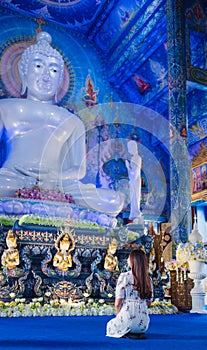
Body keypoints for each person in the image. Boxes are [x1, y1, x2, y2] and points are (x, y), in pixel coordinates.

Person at [0, 31, 124, 217]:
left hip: (58, 185)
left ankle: (31, 202)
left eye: (54, 70)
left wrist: (53, 179)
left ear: (60, 81)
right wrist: (26, 181)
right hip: (13, 179)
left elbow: (78, 169)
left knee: (114, 201)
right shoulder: (5, 107)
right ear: (23, 71)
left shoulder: (72, 121)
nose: (46, 76)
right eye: (39, 66)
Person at [106, 249, 153, 339]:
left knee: (110, 326)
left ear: (132, 261)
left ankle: (127, 329)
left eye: (129, 258)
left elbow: (118, 303)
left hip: (128, 317)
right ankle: (137, 330)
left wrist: (119, 315)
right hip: (143, 324)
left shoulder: (124, 277)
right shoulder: (148, 280)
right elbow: (148, 303)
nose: (127, 260)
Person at [125, 140, 142, 222]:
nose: (129, 150)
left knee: (135, 197)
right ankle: (133, 213)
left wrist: (128, 166)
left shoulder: (137, 158)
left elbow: (134, 173)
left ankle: (135, 212)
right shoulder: (134, 158)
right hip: (133, 181)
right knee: (133, 198)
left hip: (135, 181)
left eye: (130, 148)